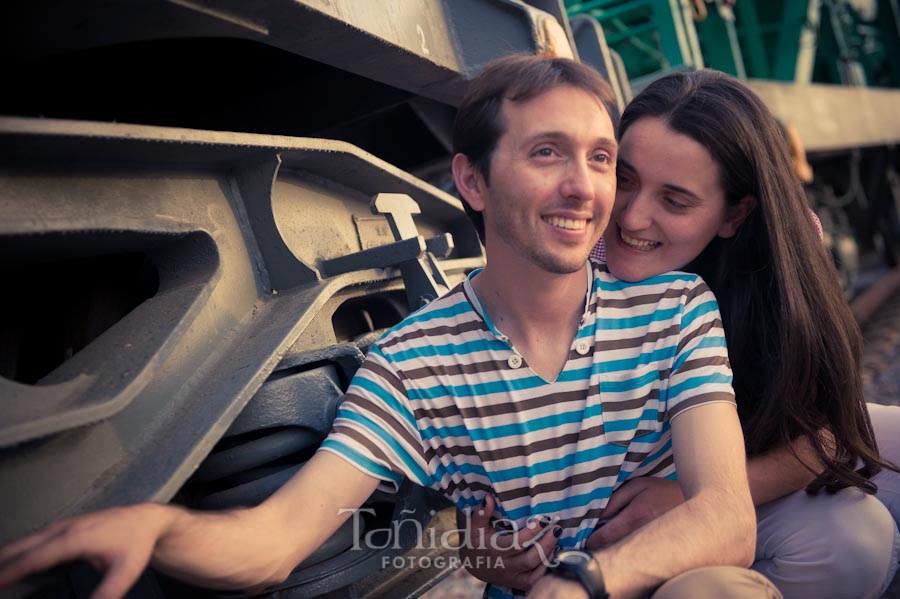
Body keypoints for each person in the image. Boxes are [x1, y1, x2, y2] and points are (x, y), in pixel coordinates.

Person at [0, 55, 780, 599]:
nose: (583, 186)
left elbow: (725, 516)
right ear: (471, 179)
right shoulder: (414, 365)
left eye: (602, 158)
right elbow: (278, 537)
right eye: (548, 152)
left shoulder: (674, 306)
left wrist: (582, 579)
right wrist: (160, 528)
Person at [460, 68, 900, 599]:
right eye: (624, 178)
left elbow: (827, 426)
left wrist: (685, 496)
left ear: (734, 215)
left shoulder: (774, 260)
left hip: (711, 477)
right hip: (602, 532)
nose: (633, 217)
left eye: (675, 200)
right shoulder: (567, 258)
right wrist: (485, 548)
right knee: (852, 535)